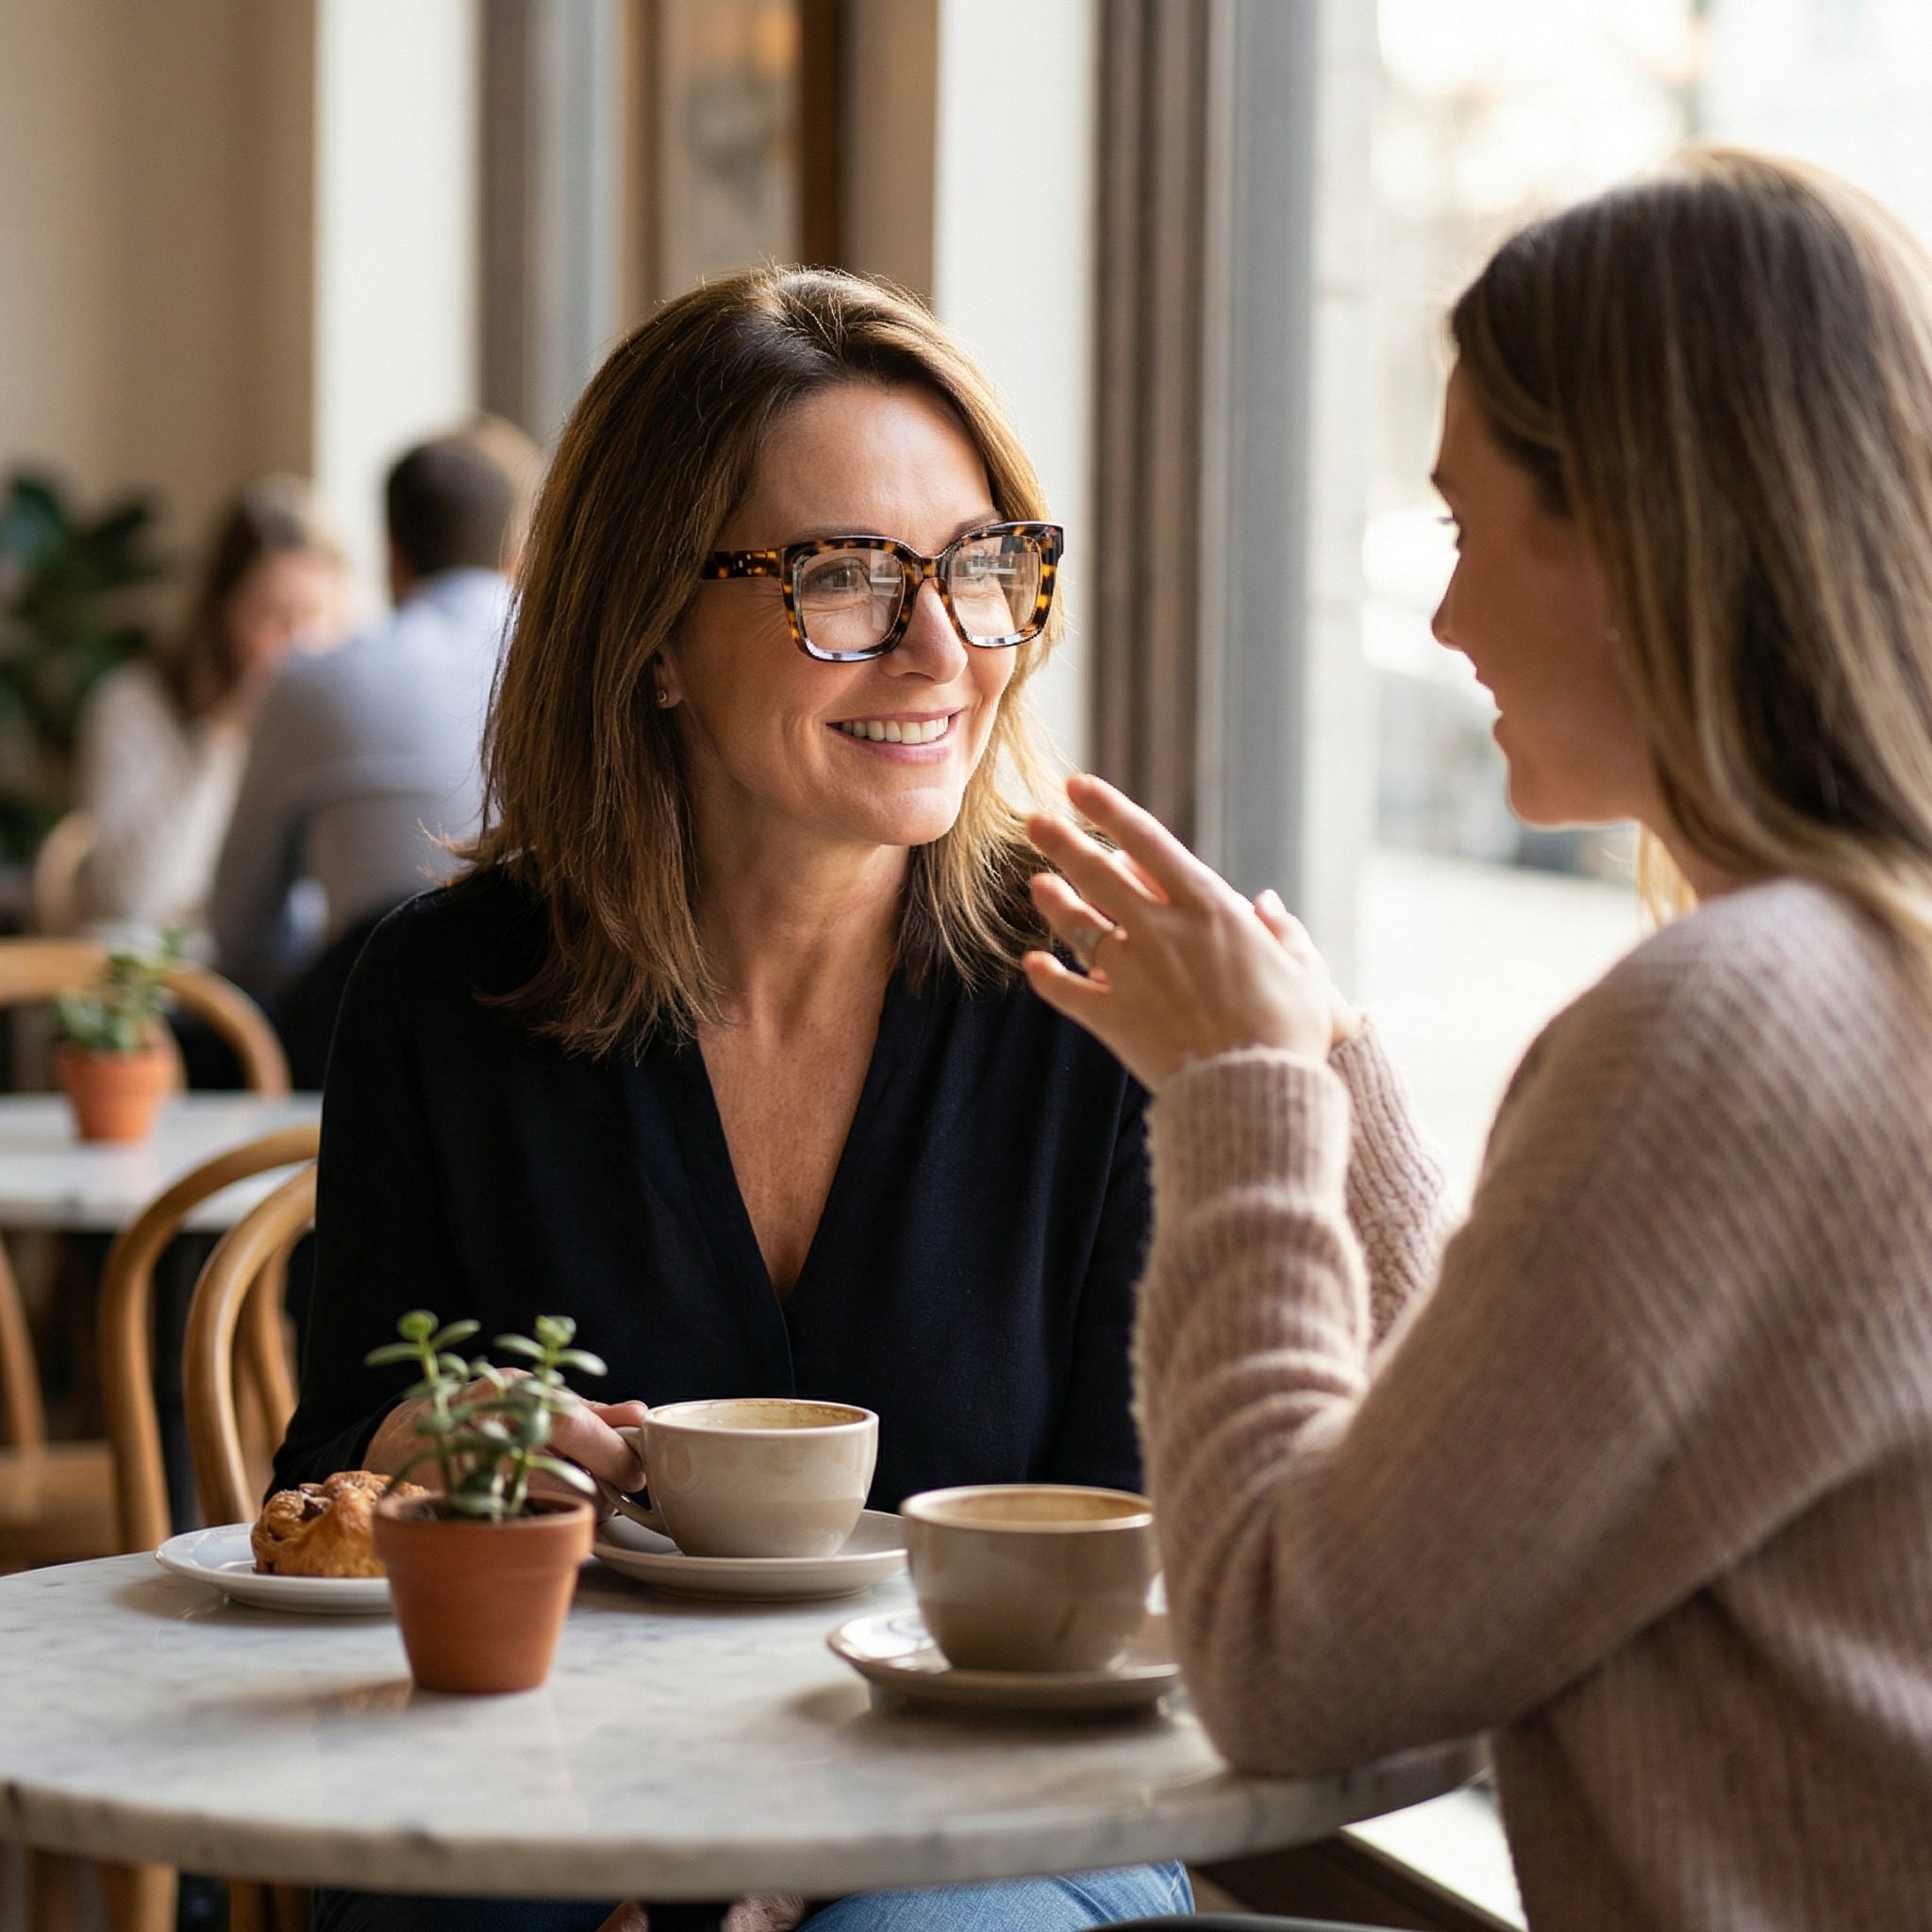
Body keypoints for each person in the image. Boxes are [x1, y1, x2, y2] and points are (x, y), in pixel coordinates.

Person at [1024, 148, 1932, 1932]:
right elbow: (1507, 1483)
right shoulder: (1856, 974)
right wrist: (1335, 1080)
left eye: (1459, 521)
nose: (1437, 620)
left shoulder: (1734, 1018)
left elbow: (1294, 1655)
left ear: (1630, 529)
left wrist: (1240, 1103)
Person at [273, 268, 1188, 1932]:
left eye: (982, 569)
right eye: (840, 578)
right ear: (649, 636)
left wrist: (781, 1871)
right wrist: (431, 1443)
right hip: (543, 1789)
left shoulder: (1101, 994)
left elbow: (1135, 1583)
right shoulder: (442, 994)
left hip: (999, 1802)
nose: (940, 647)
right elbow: (330, 1462)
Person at [208, 424, 533, 1030]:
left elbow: (240, 935)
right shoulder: (575, 671)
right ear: (517, 553)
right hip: (554, 1038)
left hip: (364, 1048)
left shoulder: (309, 682)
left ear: (392, 555)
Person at [73, 475, 344, 944]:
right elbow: (133, 900)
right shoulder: (132, 704)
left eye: (315, 616)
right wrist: (224, 736)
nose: (300, 646)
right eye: (274, 617)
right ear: (223, 612)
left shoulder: (337, 717)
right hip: (177, 976)